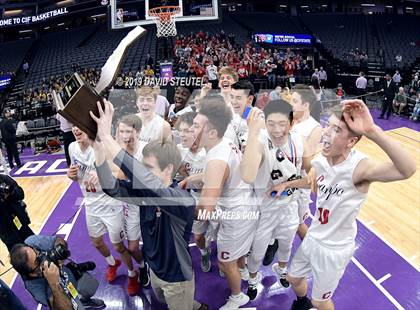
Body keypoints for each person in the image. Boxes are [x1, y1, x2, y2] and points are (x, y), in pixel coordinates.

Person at [270, 100, 416, 310]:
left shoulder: (359, 168)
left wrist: (372, 131)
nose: (326, 133)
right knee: (293, 278)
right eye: (327, 125)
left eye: (336, 129)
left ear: (350, 142)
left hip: (334, 249)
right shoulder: (322, 160)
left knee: (321, 302)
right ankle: (302, 303)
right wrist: (287, 184)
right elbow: (312, 180)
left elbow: (407, 169)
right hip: (314, 236)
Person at [89, 99, 207, 310]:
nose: (143, 173)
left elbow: (140, 176)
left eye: (149, 168)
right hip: (155, 269)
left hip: (177, 278)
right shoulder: (145, 194)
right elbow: (111, 187)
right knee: (166, 301)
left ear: (168, 169)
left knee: (179, 302)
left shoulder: (181, 199)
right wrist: (98, 147)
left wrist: (107, 136)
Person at [240, 101, 311, 300]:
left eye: (282, 124)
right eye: (271, 123)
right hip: (264, 209)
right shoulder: (259, 141)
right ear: (265, 123)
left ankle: (281, 269)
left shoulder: (299, 141)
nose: (277, 129)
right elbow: (247, 175)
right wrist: (253, 133)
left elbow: (311, 173)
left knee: (287, 245)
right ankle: (253, 279)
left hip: (290, 204)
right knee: (257, 251)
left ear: (291, 124)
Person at [191, 97, 257, 309]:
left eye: (195, 126)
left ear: (211, 132)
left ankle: (238, 297)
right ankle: (244, 270)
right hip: (246, 205)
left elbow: (205, 210)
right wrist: (190, 179)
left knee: (224, 261)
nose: (192, 129)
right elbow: (216, 175)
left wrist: (176, 209)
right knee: (237, 253)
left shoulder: (215, 161)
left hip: (236, 216)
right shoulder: (225, 142)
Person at [67, 126, 139, 296]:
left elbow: (123, 173)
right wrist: (70, 175)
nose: (76, 129)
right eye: (73, 126)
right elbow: (75, 172)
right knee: (97, 242)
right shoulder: (72, 147)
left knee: (119, 246)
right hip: (90, 203)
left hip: (110, 203)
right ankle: (112, 263)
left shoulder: (102, 147)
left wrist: (102, 174)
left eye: (79, 125)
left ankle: (132, 273)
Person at [10, 235, 104, 309]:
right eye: (38, 261)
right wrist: (53, 284)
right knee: (76, 306)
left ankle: (85, 301)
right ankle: (80, 304)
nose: (43, 257)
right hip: (64, 296)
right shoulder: (36, 289)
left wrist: (60, 250)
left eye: (37, 253)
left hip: (70, 274)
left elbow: (58, 240)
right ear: (32, 273)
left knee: (91, 287)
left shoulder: (32, 242)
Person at [115, 114, 150, 287]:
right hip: (130, 206)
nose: (125, 135)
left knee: (154, 243)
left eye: (128, 131)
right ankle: (143, 266)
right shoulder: (116, 152)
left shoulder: (147, 150)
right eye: (121, 131)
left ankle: (156, 266)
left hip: (149, 204)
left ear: (137, 132)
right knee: (133, 248)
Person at [175, 112, 209, 272]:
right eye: (180, 130)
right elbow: (179, 168)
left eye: (187, 130)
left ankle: (226, 260)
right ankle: (204, 253)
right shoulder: (178, 150)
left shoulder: (210, 150)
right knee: (198, 236)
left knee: (221, 232)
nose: (182, 134)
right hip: (196, 196)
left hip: (218, 198)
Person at [0, 174, 34, 251]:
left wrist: (11, 193)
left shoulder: (4, 178)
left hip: (18, 220)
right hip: (6, 230)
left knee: (33, 243)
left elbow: (21, 194)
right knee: (19, 255)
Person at [230, 80, 255, 152]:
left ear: (250, 99)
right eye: (232, 97)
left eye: (238, 98)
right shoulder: (231, 116)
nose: (234, 102)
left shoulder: (257, 120)